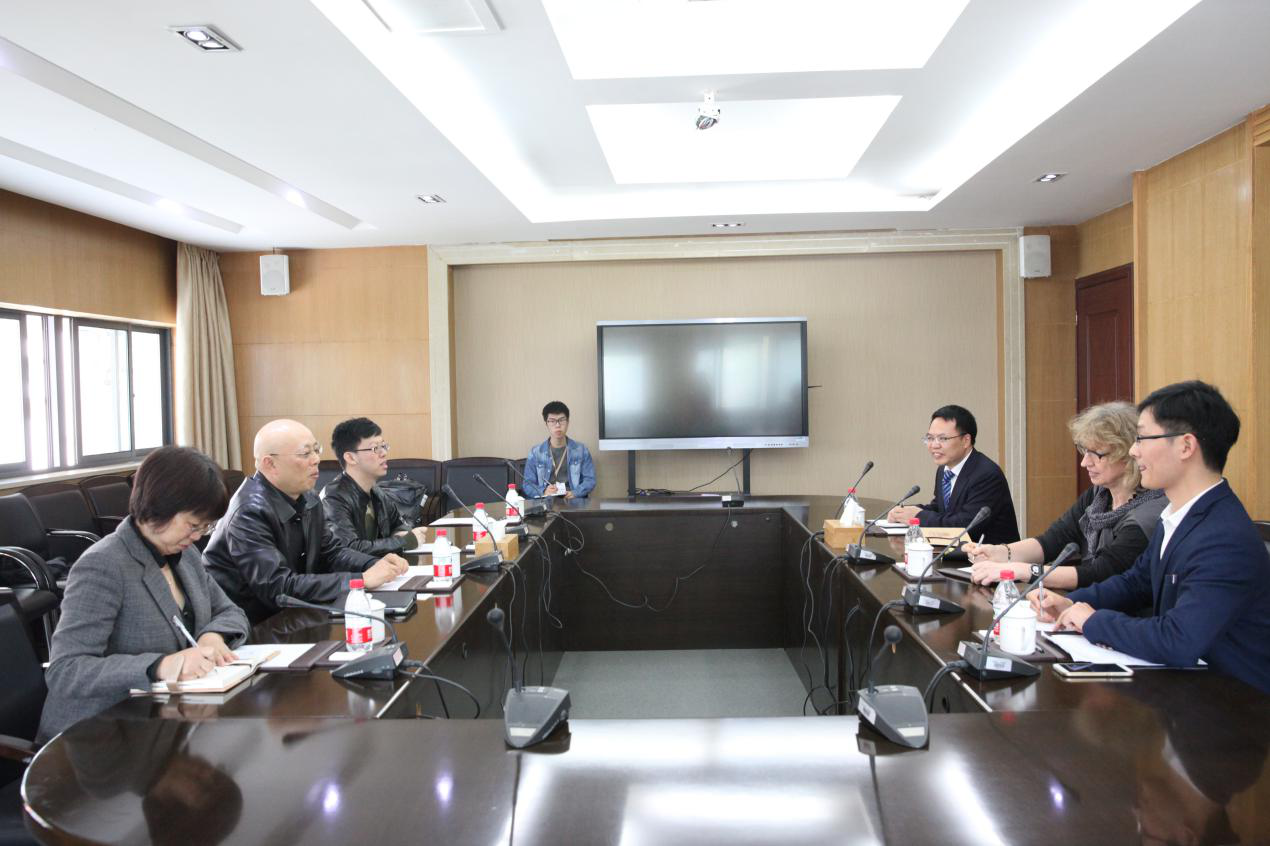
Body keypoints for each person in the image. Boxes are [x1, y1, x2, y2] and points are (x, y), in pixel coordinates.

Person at [1032, 380, 1270, 693]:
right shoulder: (1179, 515)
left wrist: (1092, 621)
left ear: (1186, 446)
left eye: (1142, 438)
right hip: (1186, 693)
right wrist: (1069, 603)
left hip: (1231, 706)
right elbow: (1136, 582)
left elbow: (1178, 639)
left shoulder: (1224, 538)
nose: (1133, 451)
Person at [39, 446, 250, 740]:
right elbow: (66, 670)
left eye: (205, 527)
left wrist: (212, 636)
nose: (198, 536)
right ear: (158, 507)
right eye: (193, 525)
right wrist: (159, 666)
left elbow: (230, 612)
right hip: (98, 735)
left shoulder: (185, 555)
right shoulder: (104, 565)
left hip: (166, 723)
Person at [204, 419, 408, 624]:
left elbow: (331, 552)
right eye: (305, 453)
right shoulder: (249, 512)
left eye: (316, 450)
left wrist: (374, 564)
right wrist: (360, 580)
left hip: (298, 615)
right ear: (270, 463)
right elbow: (278, 587)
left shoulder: (309, 498)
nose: (316, 459)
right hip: (254, 626)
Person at [965, 401, 1166, 589]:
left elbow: (1102, 573)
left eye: (1097, 454)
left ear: (1128, 453)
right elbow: (1052, 541)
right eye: (1084, 451)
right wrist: (999, 552)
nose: (1085, 462)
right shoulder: (1098, 496)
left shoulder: (1149, 513)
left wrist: (1022, 570)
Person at [888, 404, 1020, 544]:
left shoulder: (986, 475)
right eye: (930, 438)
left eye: (943, 439)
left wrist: (918, 516)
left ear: (965, 441)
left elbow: (964, 526)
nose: (934, 445)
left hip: (990, 554)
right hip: (956, 552)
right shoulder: (944, 469)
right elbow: (942, 509)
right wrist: (906, 512)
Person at [321, 417, 428, 555]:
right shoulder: (333, 498)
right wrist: (402, 542)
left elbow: (401, 524)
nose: (384, 453)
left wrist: (401, 534)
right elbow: (348, 550)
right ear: (351, 458)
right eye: (375, 448)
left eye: (383, 446)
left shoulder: (376, 492)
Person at [523, 401, 596, 499]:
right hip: (546, 501)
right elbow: (527, 484)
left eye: (561, 420)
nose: (557, 425)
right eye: (552, 421)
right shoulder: (536, 452)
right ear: (546, 424)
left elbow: (590, 480)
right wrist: (544, 491)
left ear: (568, 422)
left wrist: (575, 493)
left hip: (573, 501)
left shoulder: (581, 450)